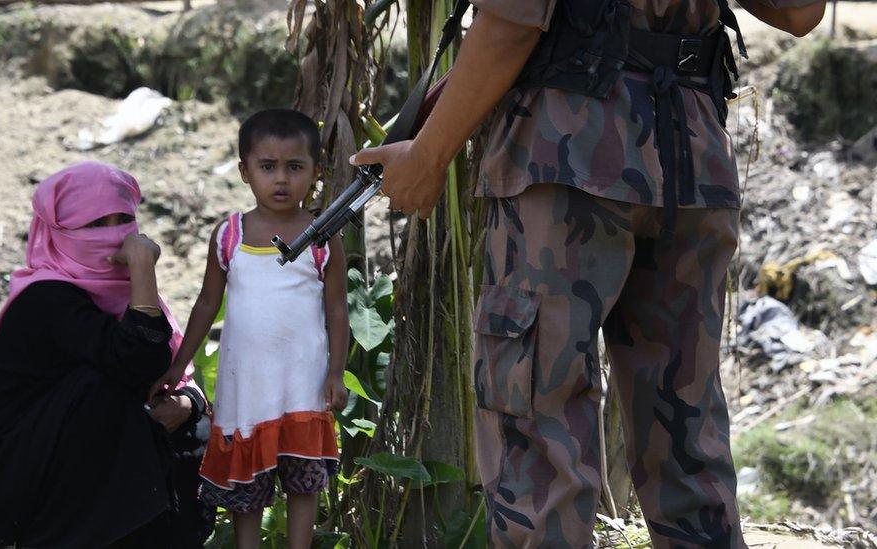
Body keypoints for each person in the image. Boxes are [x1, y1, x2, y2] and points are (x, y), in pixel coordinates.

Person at [351, 0, 826, 546]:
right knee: (684, 424)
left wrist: (429, 156)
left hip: (568, 154)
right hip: (691, 161)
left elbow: (510, 24)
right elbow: (800, 11)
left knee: (537, 420)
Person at [0, 161, 212, 548]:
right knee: (104, 389)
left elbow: (169, 374)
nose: (113, 236)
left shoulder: (122, 298)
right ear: (57, 233)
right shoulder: (46, 299)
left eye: (123, 220)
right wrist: (143, 269)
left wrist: (189, 404)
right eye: (94, 224)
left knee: (190, 418)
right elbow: (136, 361)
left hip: (63, 469)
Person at [151, 109, 349, 549]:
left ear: (315, 173)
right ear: (245, 171)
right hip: (248, 390)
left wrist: (336, 373)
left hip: (302, 386)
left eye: (295, 167)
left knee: (304, 483)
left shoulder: (322, 237)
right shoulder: (229, 235)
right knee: (245, 490)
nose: (281, 179)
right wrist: (177, 367)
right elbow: (206, 304)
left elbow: (337, 311)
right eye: (267, 166)